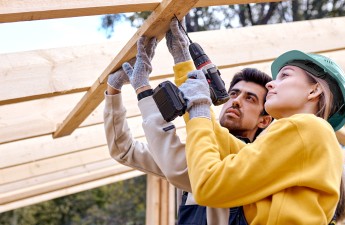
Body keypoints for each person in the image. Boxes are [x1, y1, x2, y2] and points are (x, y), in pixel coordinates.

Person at [103, 21, 272, 224]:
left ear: (264, 120)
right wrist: (114, 90)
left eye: (249, 98)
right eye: (234, 93)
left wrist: (143, 88)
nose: (236, 100)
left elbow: (177, 167)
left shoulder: (254, 161)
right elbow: (124, 150)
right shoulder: (199, 150)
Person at [177, 50, 345, 224]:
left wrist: (198, 106)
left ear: (314, 91)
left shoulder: (307, 127)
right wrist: (183, 60)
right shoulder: (302, 139)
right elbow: (219, 139)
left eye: (285, 75)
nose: (270, 84)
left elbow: (209, 185)